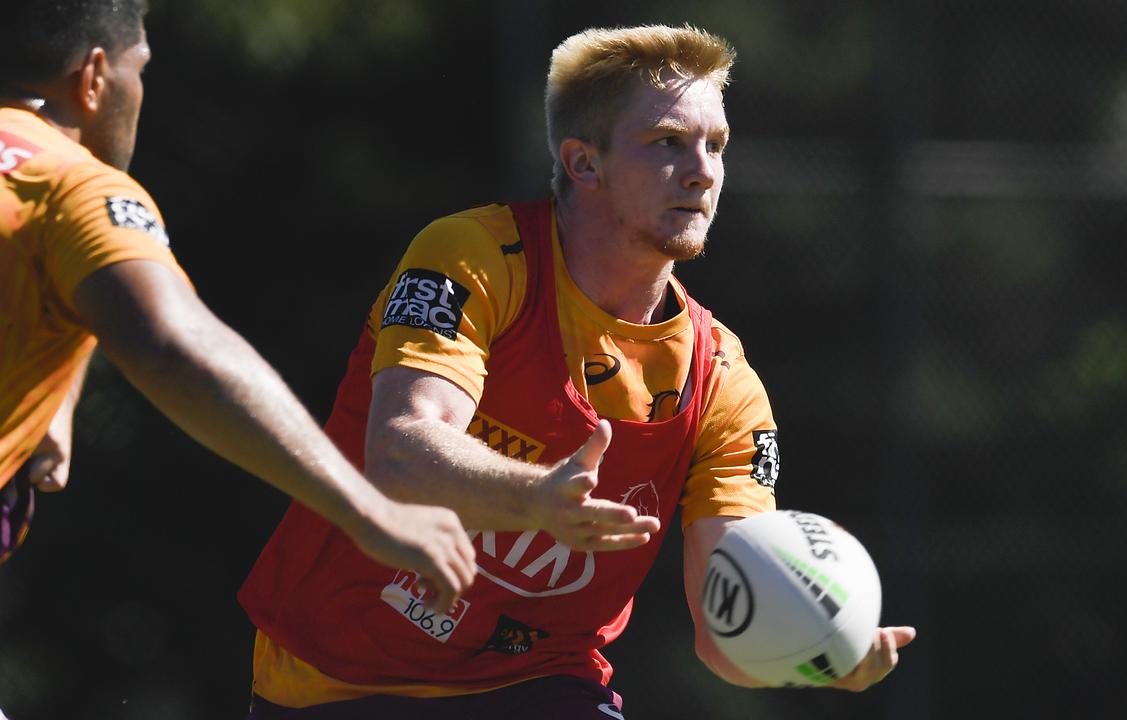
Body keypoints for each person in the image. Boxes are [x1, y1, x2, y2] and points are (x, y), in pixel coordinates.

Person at [238, 24, 915, 718]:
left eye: (716, 146)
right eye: (668, 143)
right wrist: (534, 498)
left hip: (540, 683)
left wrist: (814, 648)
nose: (703, 170)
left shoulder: (723, 382)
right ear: (584, 163)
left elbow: (725, 629)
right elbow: (399, 452)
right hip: (336, 679)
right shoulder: (474, 256)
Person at [0, 0, 476, 608]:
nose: (140, 91)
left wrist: (53, 392)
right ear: (93, 78)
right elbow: (175, 344)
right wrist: (369, 511)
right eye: (138, 68)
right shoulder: (70, 186)